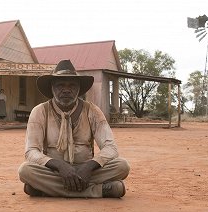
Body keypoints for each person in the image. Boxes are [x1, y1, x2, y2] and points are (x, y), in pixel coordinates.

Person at [18, 60, 130, 198]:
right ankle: (99, 191)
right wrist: (59, 166)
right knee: (25, 170)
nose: (66, 89)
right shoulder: (40, 111)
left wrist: (88, 167)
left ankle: (45, 190)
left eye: (72, 85)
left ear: (79, 89)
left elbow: (111, 148)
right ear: (52, 88)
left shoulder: (92, 110)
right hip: (54, 172)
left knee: (122, 166)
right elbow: (31, 151)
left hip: (88, 172)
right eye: (60, 85)